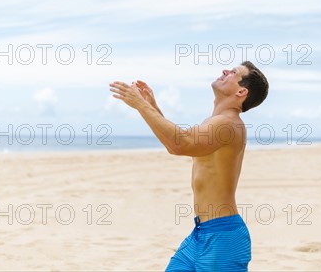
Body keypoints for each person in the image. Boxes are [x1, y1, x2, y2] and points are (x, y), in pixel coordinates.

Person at [109, 61, 269, 272]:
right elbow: (177, 142)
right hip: (201, 233)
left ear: (241, 91)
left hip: (223, 237)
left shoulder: (228, 124)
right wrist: (152, 107)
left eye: (233, 73)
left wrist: (141, 105)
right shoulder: (215, 121)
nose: (225, 71)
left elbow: (180, 144)